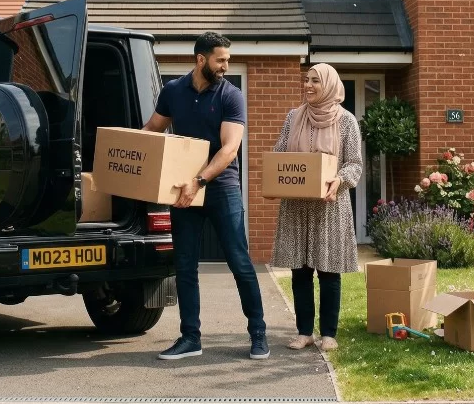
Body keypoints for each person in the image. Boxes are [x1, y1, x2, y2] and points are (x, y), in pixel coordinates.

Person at [142, 32, 268, 361]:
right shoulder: (173, 91)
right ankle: (190, 338)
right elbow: (151, 130)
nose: (226, 65)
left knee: (239, 262)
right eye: (221, 60)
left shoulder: (231, 96)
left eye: (227, 59)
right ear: (201, 60)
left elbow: (229, 150)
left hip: (220, 188)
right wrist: (125, 156)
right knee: (184, 265)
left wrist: (199, 181)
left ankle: (258, 333)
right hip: (183, 190)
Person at [270, 64, 362, 352]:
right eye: (306, 80)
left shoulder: (346, 121)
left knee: (328, 271)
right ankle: (304, 332)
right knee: (300, 270)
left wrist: (340, 179)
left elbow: (354, 164)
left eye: (315, 81)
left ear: (330, 85)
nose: (308, 85)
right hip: (297, 207)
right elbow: (279, 154)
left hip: (329, 206)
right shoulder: (293, 117)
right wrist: (277, 177)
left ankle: (329, 333)